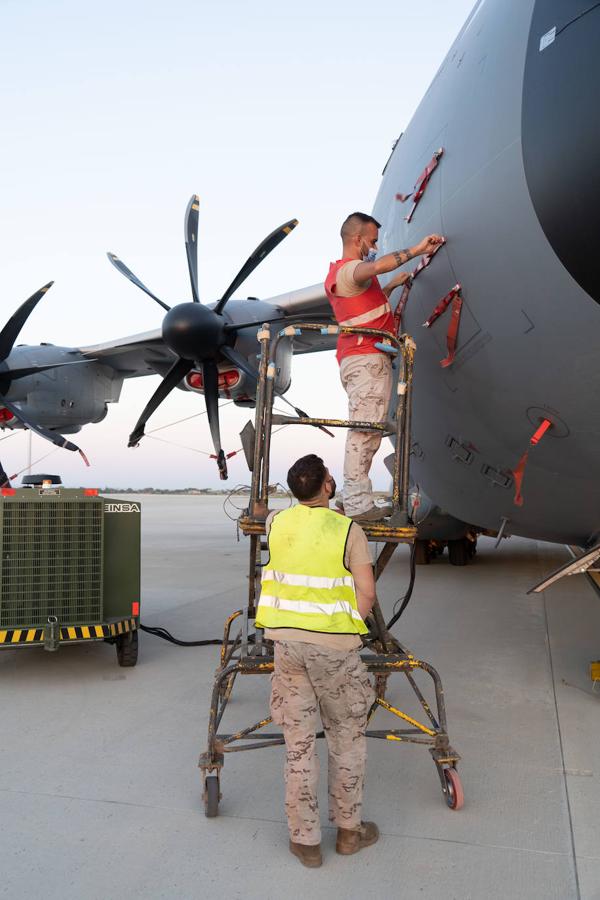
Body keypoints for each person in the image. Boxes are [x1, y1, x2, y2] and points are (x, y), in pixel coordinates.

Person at [255, 454, 378, 867]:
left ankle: (305, 841)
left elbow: (266, 514)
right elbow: (367, 594)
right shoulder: (349, 530)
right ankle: (348, 832)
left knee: (299, 744)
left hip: (287, 648)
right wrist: (347, 627)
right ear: (328, 485)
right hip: (335, 650)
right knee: (346, 739)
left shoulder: (277, 523)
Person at [325, 212, 444, 521]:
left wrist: (389, 286)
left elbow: (369, 308)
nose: (374, 247)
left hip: (362, 358)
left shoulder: (354, 280)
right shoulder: (350, 271)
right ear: (357, 240)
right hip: (366, 359)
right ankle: (357, 504)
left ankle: (352, 497)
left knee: (367, 429)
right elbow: (375, 266)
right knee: (366, 430)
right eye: (373, 241)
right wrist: (417, 251)